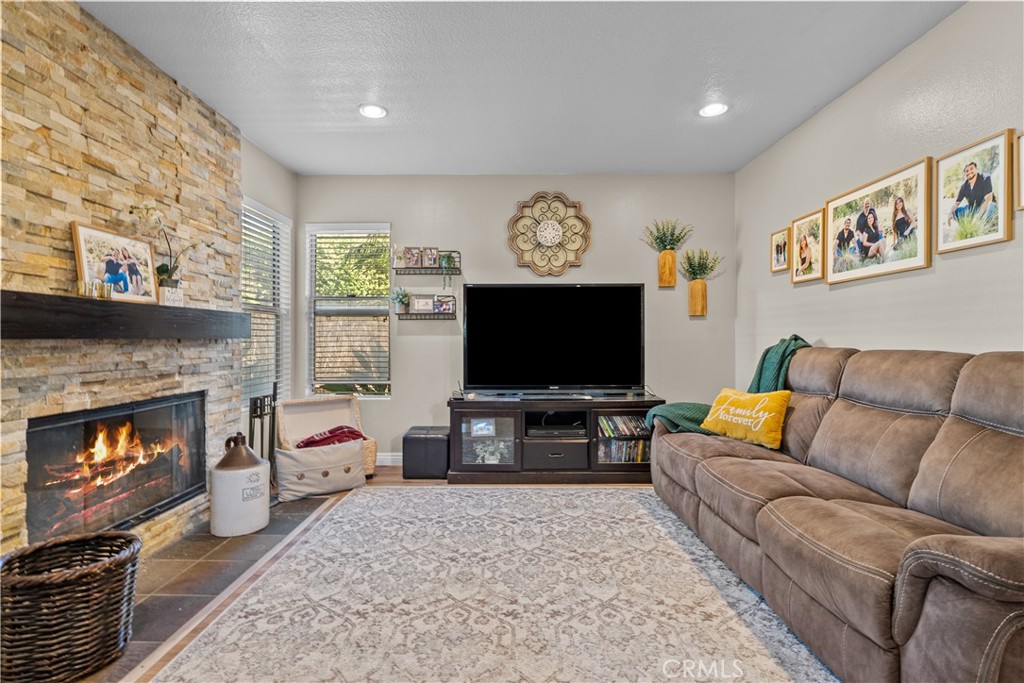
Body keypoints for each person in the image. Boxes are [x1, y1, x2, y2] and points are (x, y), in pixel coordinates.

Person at [947, 161, 997, 226]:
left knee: (991, 206)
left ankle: (983, 226)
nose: (969, 172)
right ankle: (968, 226)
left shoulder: (985, 178)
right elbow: (956, 204)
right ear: (965, 174)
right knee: (956, 212)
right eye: (967, 171)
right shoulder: (964, 186)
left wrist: (977, 218)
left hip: (986, 207)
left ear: (976, 169)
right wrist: (950, 213)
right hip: (973, 210)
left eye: (971, 168)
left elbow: (988, 200)